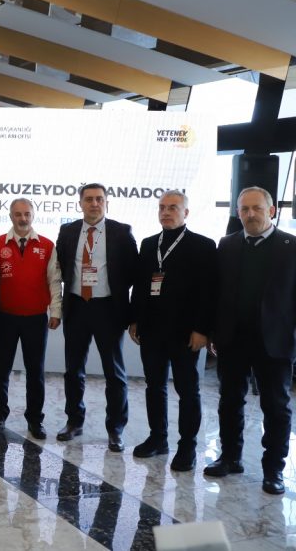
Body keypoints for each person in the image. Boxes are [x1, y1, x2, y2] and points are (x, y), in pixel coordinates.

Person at [205, 187, 296, 495]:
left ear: (271, 211)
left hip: (275, 342)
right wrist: (213, 332)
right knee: (230, 401)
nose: (250, 214)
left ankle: (274, 470)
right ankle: (230, 457)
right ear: (238, 212)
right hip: (233, 339)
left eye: (257, 208)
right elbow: (217, 293)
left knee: (276, 407)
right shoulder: (227, 244)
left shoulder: (291, 246)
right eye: (244, 209)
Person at [128, 190, 216, 471]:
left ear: (185, 212)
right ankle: (158, 438)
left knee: (187, 390)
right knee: (154, 386)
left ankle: (187, 446)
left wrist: (202, 330)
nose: (166, 212)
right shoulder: (148, 244)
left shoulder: (203, 245)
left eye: (173, 208)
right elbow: (141, 285)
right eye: (162, 207)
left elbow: (208, 293)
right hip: (152, 330)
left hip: (185, 333)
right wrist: (135, 320)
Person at [55, 183, 138, 452]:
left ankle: (115, 429)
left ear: (106, 203)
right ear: (80, 203)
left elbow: (132, 272)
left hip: (108, 309)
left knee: (114, 373)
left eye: (99, 199)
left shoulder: (121, 232)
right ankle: (74, 422)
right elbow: (61, 266)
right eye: (89, 199)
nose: (94, 204)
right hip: (77, 306)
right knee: (73, 370)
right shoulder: (67, 231)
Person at [0, 198, 62, 440]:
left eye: (27, 214)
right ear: (11, 216)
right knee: (1, 371)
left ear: (33, 215)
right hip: (4, 318)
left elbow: (54, 281)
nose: (23, 218)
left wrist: (55, 311)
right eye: (18, 214)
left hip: (35, 319)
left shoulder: (47, 245)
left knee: (35, 372)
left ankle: (35, 420)